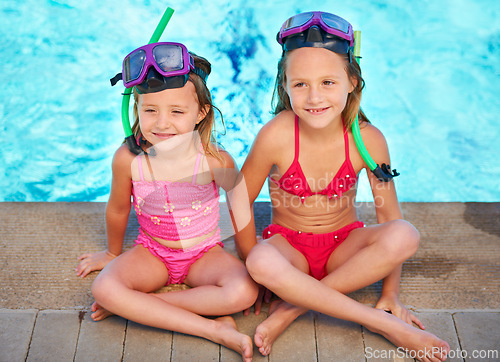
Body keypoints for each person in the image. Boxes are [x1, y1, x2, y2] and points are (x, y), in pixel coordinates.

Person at [235, 11, 450, 362]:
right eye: (300, 83)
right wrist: (249, 265)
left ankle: (293, 309)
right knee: (261, 260)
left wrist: (391, 294)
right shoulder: (276, 135)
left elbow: (388, 216)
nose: (314, 97)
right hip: (290, 250)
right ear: (285, 85)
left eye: (328, 83)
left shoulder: (368, 140)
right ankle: (380, 324)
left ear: (352, 82)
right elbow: (240, 198)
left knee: (405, 234)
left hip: (342, 250)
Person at [75, 42, 257, 361]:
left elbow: (240, 208)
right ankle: (213, 328)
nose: (162, 123)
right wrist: (112, 253)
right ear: (137, 109)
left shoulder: (215, 161)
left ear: (200, 113)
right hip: (153, 252)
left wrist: (251, 260)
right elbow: (118, 208)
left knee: (245, 290)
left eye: (176, 111)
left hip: (204, 253)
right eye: (150, 110)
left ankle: (139, 308)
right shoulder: (127, 160)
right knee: (103, 288)